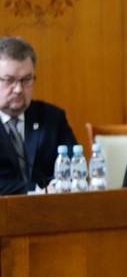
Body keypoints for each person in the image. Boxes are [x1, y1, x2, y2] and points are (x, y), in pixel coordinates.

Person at [0, 36, 78, 195]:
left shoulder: (52, 118)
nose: (18, 89)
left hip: (50, 213)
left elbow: (73, 169)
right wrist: (36, 190)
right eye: (9, 80)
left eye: (26, 79)